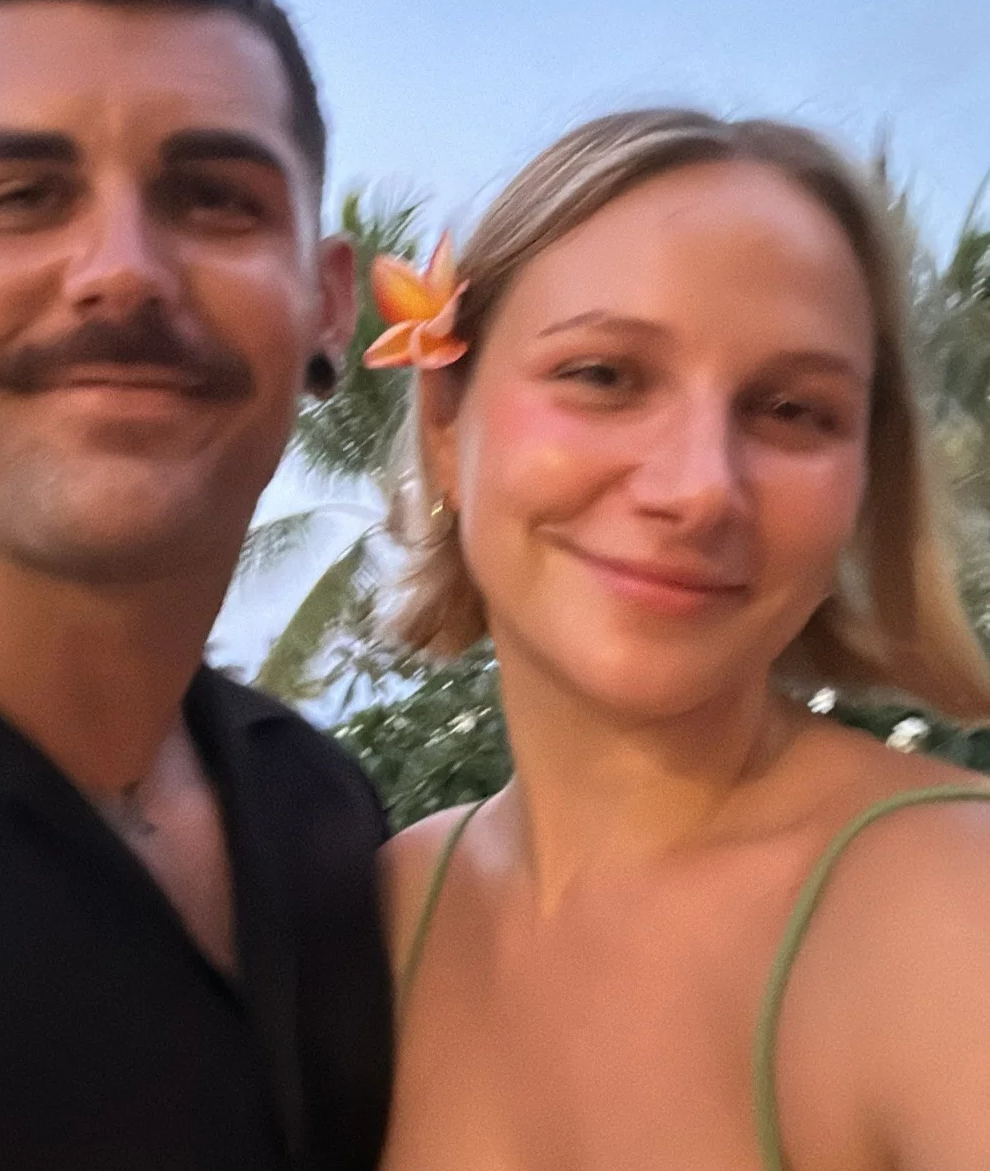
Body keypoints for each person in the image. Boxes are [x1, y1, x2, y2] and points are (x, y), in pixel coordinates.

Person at [0, 0, 392, 1170]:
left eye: (218, 199)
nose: (120, 267)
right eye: (19, 196)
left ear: (326, 304)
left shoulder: (331, 823)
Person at [371, 109, 990, 1171]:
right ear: (445, 420)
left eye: (794, 409)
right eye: (604, 375)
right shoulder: (390, 906)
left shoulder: (948, 910)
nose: (702, 487)